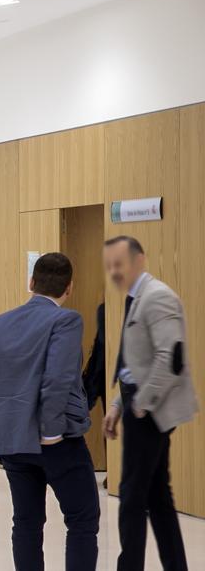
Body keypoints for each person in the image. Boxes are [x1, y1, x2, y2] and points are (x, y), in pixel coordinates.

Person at [0, 252, 99, 571]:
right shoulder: (66, 320)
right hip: (56, 441)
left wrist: (13, 421)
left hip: (12, 439)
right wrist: (51, 432)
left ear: (31, 283)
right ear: (69, 288)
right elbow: (58, 380)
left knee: (27, 523)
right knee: (82, 520)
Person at [101, 236, 197, 571]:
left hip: (150, 412)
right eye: (109, 265)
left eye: (119, 264)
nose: (114, 271)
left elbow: (171, 358)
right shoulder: (136, 297)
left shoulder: (157, 297)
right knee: (157, 497)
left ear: (139, 260)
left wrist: (141, 404)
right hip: (137, 405)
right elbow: (134, 364)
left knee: (131, 498)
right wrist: (116, 405)